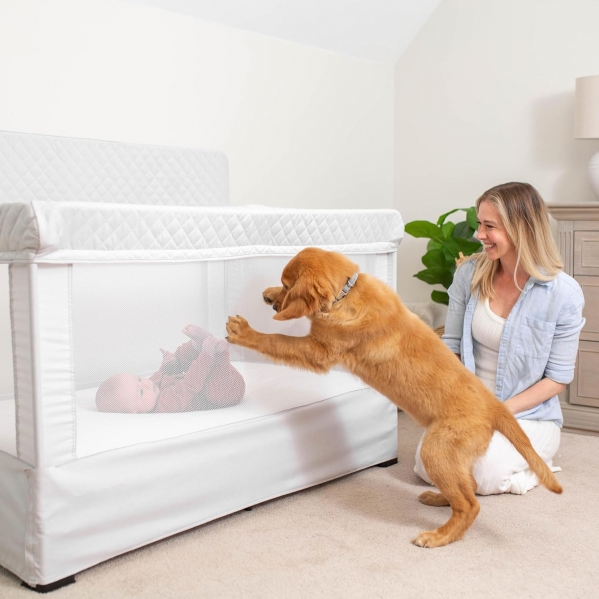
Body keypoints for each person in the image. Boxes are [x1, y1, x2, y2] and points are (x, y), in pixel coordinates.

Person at [414, 182, 585, 495]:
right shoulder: (469, 274)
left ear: (521, 228)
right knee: (429, 466)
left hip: (528, 415)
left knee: (482, 476)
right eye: (480, 223)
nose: (479, 234)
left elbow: (557, 378)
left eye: (489, 226)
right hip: (470, 408)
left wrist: (496, 413)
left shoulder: (563, 293)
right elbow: (452, 347)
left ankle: (534, 469)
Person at [96, 324, 245, 413]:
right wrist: (206, 355)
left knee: (178, 359)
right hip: (227, 392)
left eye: (139, 379)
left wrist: (168, 363)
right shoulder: (165, 405)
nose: (146, 384)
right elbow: (188, 385)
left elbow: (163, 374)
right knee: (215, 391)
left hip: (209, 377)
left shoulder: (152, 386)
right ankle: (219, 353)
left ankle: (197, 344)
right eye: (141, 392)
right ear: (137, 413)